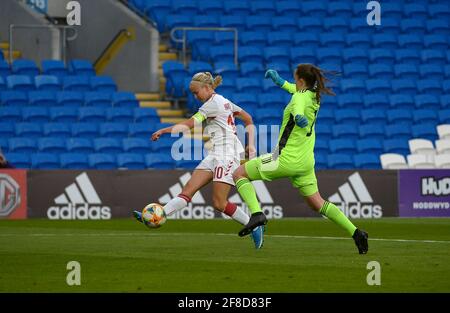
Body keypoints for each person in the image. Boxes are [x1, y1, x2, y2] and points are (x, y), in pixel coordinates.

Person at [232, 64, 369, 254]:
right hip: (305, 162)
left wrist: (297, 116)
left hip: (284, 158)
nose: (294, 82)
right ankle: (357, 233)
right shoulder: (314, 96)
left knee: (239, 174)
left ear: (302, 81)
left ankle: (256, 214)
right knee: (317, 203)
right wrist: (280, 82)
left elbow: (297, 104)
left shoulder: (299, 98)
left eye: (295, 79)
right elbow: (296, 93)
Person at [133, 72, 265, 249]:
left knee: (219, 203)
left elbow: (188, 125)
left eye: (196, 93)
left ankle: (254, 225)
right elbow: (248, 118)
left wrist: (163, 131)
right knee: (187, 190)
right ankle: (159, 214)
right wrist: (251, 145)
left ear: (207, 88)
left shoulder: (212, 104)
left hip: (227, 155)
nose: (195, 97)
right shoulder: (224, 101)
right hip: (215, 154)